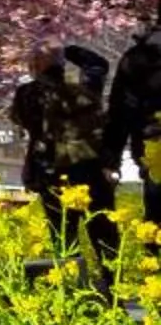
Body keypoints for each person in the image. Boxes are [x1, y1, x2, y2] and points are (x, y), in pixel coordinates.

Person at [18, 44, 117, 283]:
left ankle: (75, 291)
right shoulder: (84, 90)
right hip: (91, 171)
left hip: (50, 172)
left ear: (34, 68)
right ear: (62, 66)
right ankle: (112, 289)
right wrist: (69, 50)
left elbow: (23, 120)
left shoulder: (27, 94)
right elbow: (98, 65)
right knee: (104, 234)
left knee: (64, 236)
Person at [105, 6, 161, 193]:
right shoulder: (139, 58)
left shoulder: (136, 58)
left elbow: (120, 111)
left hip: (154, 149)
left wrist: (111, 159)